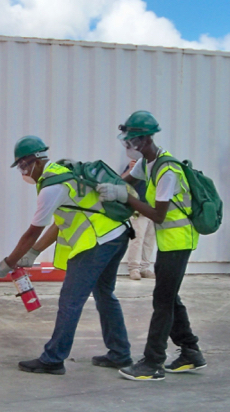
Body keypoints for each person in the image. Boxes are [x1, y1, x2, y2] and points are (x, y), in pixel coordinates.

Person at [0, 135, 133, 375]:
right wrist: (34, 252)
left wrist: (7, 263)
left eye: (23, 165)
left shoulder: (52, 187)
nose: (23, 171)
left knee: (70, 300)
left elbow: (32, 232)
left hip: (97, 242)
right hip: (116, 235)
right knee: (104, 294)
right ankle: (120, 353)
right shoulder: (58, 174)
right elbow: (60, 221)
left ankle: (53, 359)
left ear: (36, 160)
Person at [97, 110, 206, 381]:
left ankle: (153, 363)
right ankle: (191, 352)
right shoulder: (146, 163)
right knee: (170, 296)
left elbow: (158, 214)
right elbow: (125, 182)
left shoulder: (167, 169)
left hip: (180, 241)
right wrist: (103, 187)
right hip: (169, 241)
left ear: (144, 140)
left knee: (163, 300)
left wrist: (124, 196)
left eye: (130, 141)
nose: (127, 146)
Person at [121, 159, 156, 280]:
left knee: (149, 240)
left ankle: (144, 268)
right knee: (137, 238)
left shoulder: (158, 168)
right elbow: (120, 181)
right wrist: (130, 170)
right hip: (139, 208)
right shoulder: (137, 165)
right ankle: (134, 268)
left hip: (153, 209)